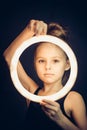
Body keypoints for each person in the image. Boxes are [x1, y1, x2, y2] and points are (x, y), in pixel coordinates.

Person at [3, 19, 87, 130]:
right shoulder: (31, 92)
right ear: (35, 64)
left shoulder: (73, 99)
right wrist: (29, 30)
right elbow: (9, 57)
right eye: (41, 61)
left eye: (55, 61)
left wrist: (61, 119)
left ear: (67, 64)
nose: (48, 67)